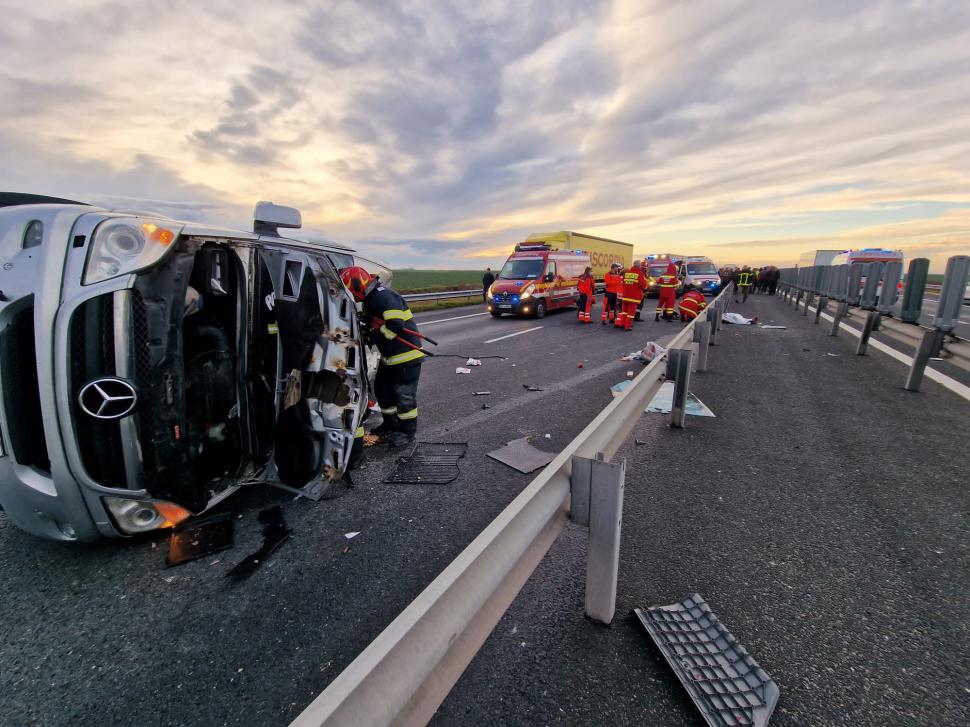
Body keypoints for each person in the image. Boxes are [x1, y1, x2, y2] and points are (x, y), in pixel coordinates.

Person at [341, 266, 423, 448]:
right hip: (390, 356)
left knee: (404, 396)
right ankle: (390, 425)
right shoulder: (371, 299)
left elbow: (395, 325)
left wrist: (373, 336)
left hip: (406, 357)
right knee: (382, 390)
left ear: (356, 286)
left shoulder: (383, 296)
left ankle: (406, 433)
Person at [616, 260, 647, 331]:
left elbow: (623, 283)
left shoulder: (627, 273)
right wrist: (645, 288)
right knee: (631, 313)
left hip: (625, 296)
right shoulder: (639, 273)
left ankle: (622, 324)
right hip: (634, 297)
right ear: (639, 266)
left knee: (624, 312)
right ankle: (627, 326)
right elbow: (643, 285)